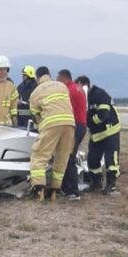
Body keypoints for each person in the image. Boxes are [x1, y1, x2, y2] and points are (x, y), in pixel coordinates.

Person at [28, 66, 75, 201]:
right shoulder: (61, 86)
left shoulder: (36, 92)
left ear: (38, 78)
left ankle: (38, 190)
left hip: (51, 123)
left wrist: (40, 127)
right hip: (70, 123)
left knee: (39, 155)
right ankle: (55, 190)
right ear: (49, 74)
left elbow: (36, 116)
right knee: (62, 158)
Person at [75, 75, 121, 196]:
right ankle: (96, 183)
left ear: (83, 84)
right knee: (92, 160)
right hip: (96, 135)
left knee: (111, 160)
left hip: (109, 132)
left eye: (77, 86)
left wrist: (87, 122)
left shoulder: (100, 95)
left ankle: (111, 186)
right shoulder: (84, 98)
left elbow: (103, 115)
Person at [57, 69, 87, 200]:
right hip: (81, 125)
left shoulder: (69, 91)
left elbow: (67, 111)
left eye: (59, 81)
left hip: (75, 126)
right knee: (69, 156)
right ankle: (68, 188)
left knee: (69, 157)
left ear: (64, 79)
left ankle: (72, 191)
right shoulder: (78, 89)